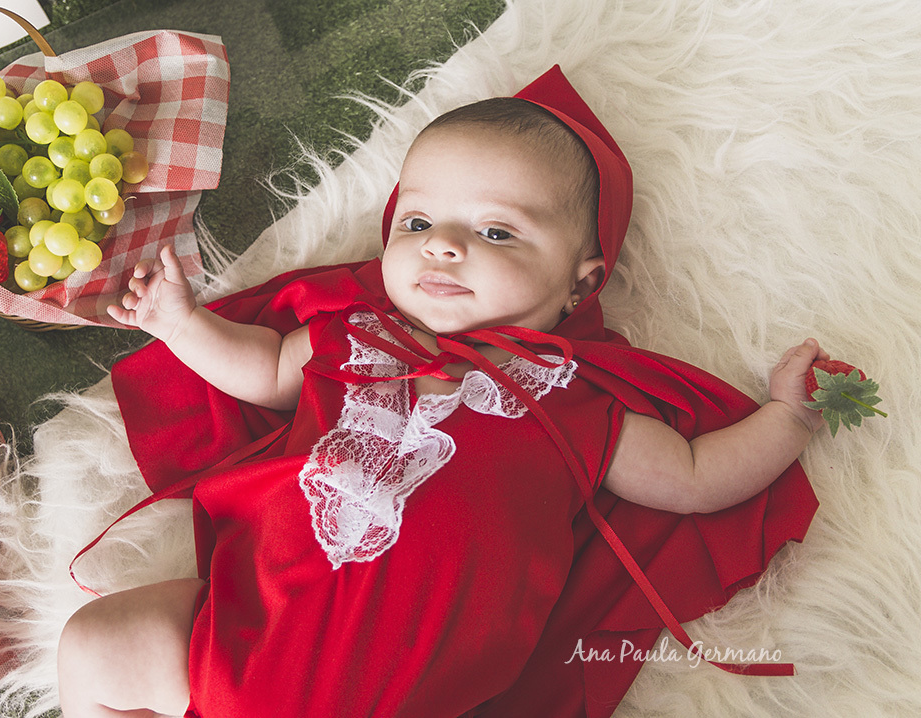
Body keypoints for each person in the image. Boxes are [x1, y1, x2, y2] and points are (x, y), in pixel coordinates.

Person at [57, 66, 820, 717]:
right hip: (241, 630)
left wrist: (787, 416)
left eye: (497, 232)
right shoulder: (351, 335)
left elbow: (694, 478)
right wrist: (181, 323)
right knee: (93, 644)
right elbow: (261, 371)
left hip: (403, 690)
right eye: (418, 221)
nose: (444, 245)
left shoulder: (573, 404)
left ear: (580, 284)